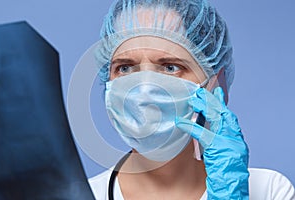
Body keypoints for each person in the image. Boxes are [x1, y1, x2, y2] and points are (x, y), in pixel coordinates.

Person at [87, 0, 295, 199]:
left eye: (170, 67)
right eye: (125, 68)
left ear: (214, 85)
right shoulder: (78, 194)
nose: (145, 88)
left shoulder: (269, 191)